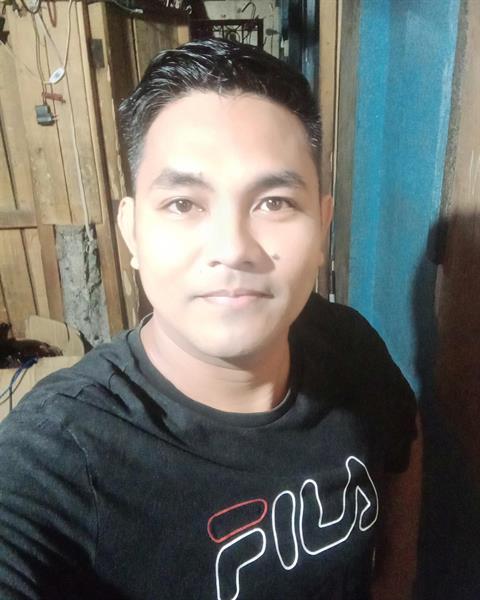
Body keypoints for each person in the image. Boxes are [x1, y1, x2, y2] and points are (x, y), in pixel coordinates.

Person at [0, 38, 421, 599]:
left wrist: (395, 581)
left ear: (322, 228)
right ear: (131, 232)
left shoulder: (349, 344)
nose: (233, 248)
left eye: (274, 202)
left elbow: (404, 444)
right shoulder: (57, 456)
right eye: (183, 204)